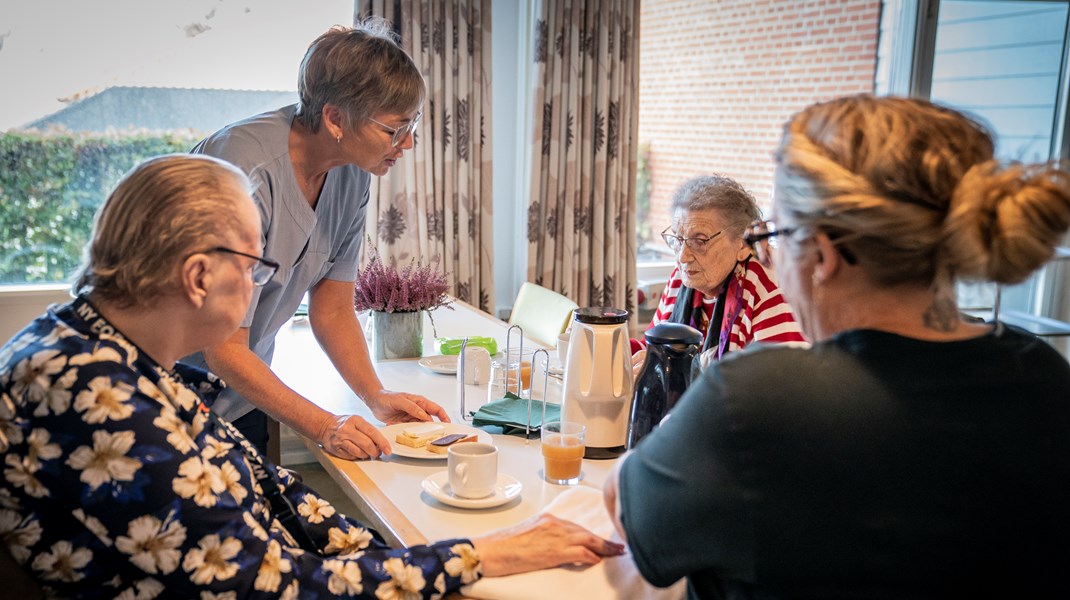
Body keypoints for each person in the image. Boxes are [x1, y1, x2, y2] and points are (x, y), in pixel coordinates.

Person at [0, 154, 623, 598]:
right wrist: (479, 556)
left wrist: (406, 556)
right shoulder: (92, 393)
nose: (262, 282)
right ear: (196, 277)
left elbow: (271, 488)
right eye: (254, 262)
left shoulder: (102, 349)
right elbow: (267, 582)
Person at [605, 95, 1070, 598]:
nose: (773, 263)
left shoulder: (760, 398)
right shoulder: (1046, 377)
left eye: (776, 239)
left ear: (822, 254)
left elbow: (631, 514)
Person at [186, 18, 444, 461]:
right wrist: (327, 425)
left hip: (240, 395)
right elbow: (223, 346)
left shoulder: (351, 173)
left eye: (412, 125)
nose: (408, 143)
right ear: (336, 119)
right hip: (162, 391)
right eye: (394, 129)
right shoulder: (244, 171)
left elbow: (332, 307)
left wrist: (374, 394)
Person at [635, 175, 806, 372]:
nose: (683, 257)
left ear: (743, 244)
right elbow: (649, 349)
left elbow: (780, 382)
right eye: (678, 239)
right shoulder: (682, 279)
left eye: (699, 241)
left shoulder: (767, 284)